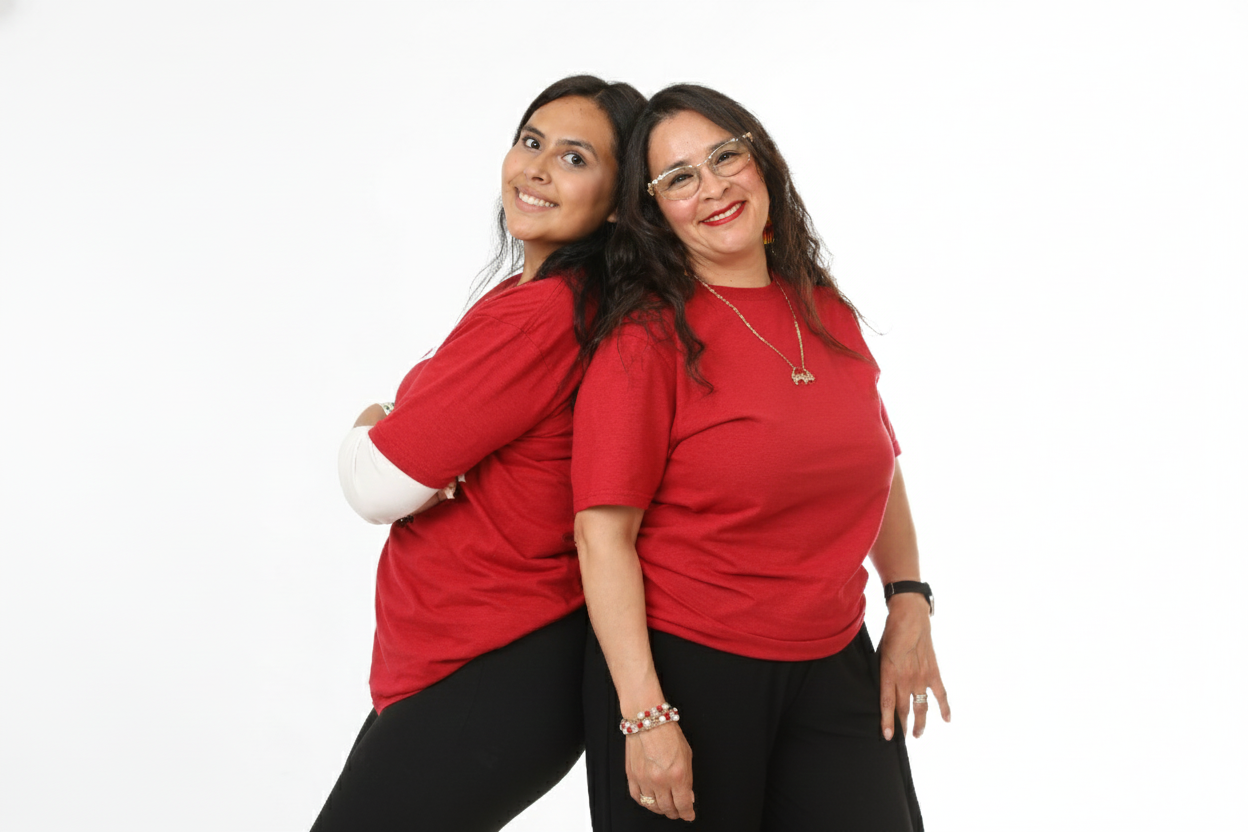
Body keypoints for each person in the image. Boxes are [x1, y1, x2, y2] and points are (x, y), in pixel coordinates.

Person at [572, 84, 950, 831]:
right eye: (680, 177)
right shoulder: (645, 339)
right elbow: (601, 536)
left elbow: (877, 462)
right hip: (685, 670)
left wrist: (908, 595)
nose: (713, 187)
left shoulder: (825, 309)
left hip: (836, 659)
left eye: (725, 157)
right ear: (654, 211)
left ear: (761, 162)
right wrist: (645, 715)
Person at [311, 75, 646, 832]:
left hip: (492, 661)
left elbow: (376, 484)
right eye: (531, 142)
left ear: (619, 201)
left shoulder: (543, 315)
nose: (537, 169)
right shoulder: (542, 299)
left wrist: (371, 422)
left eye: (574, 158)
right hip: (472, 662)